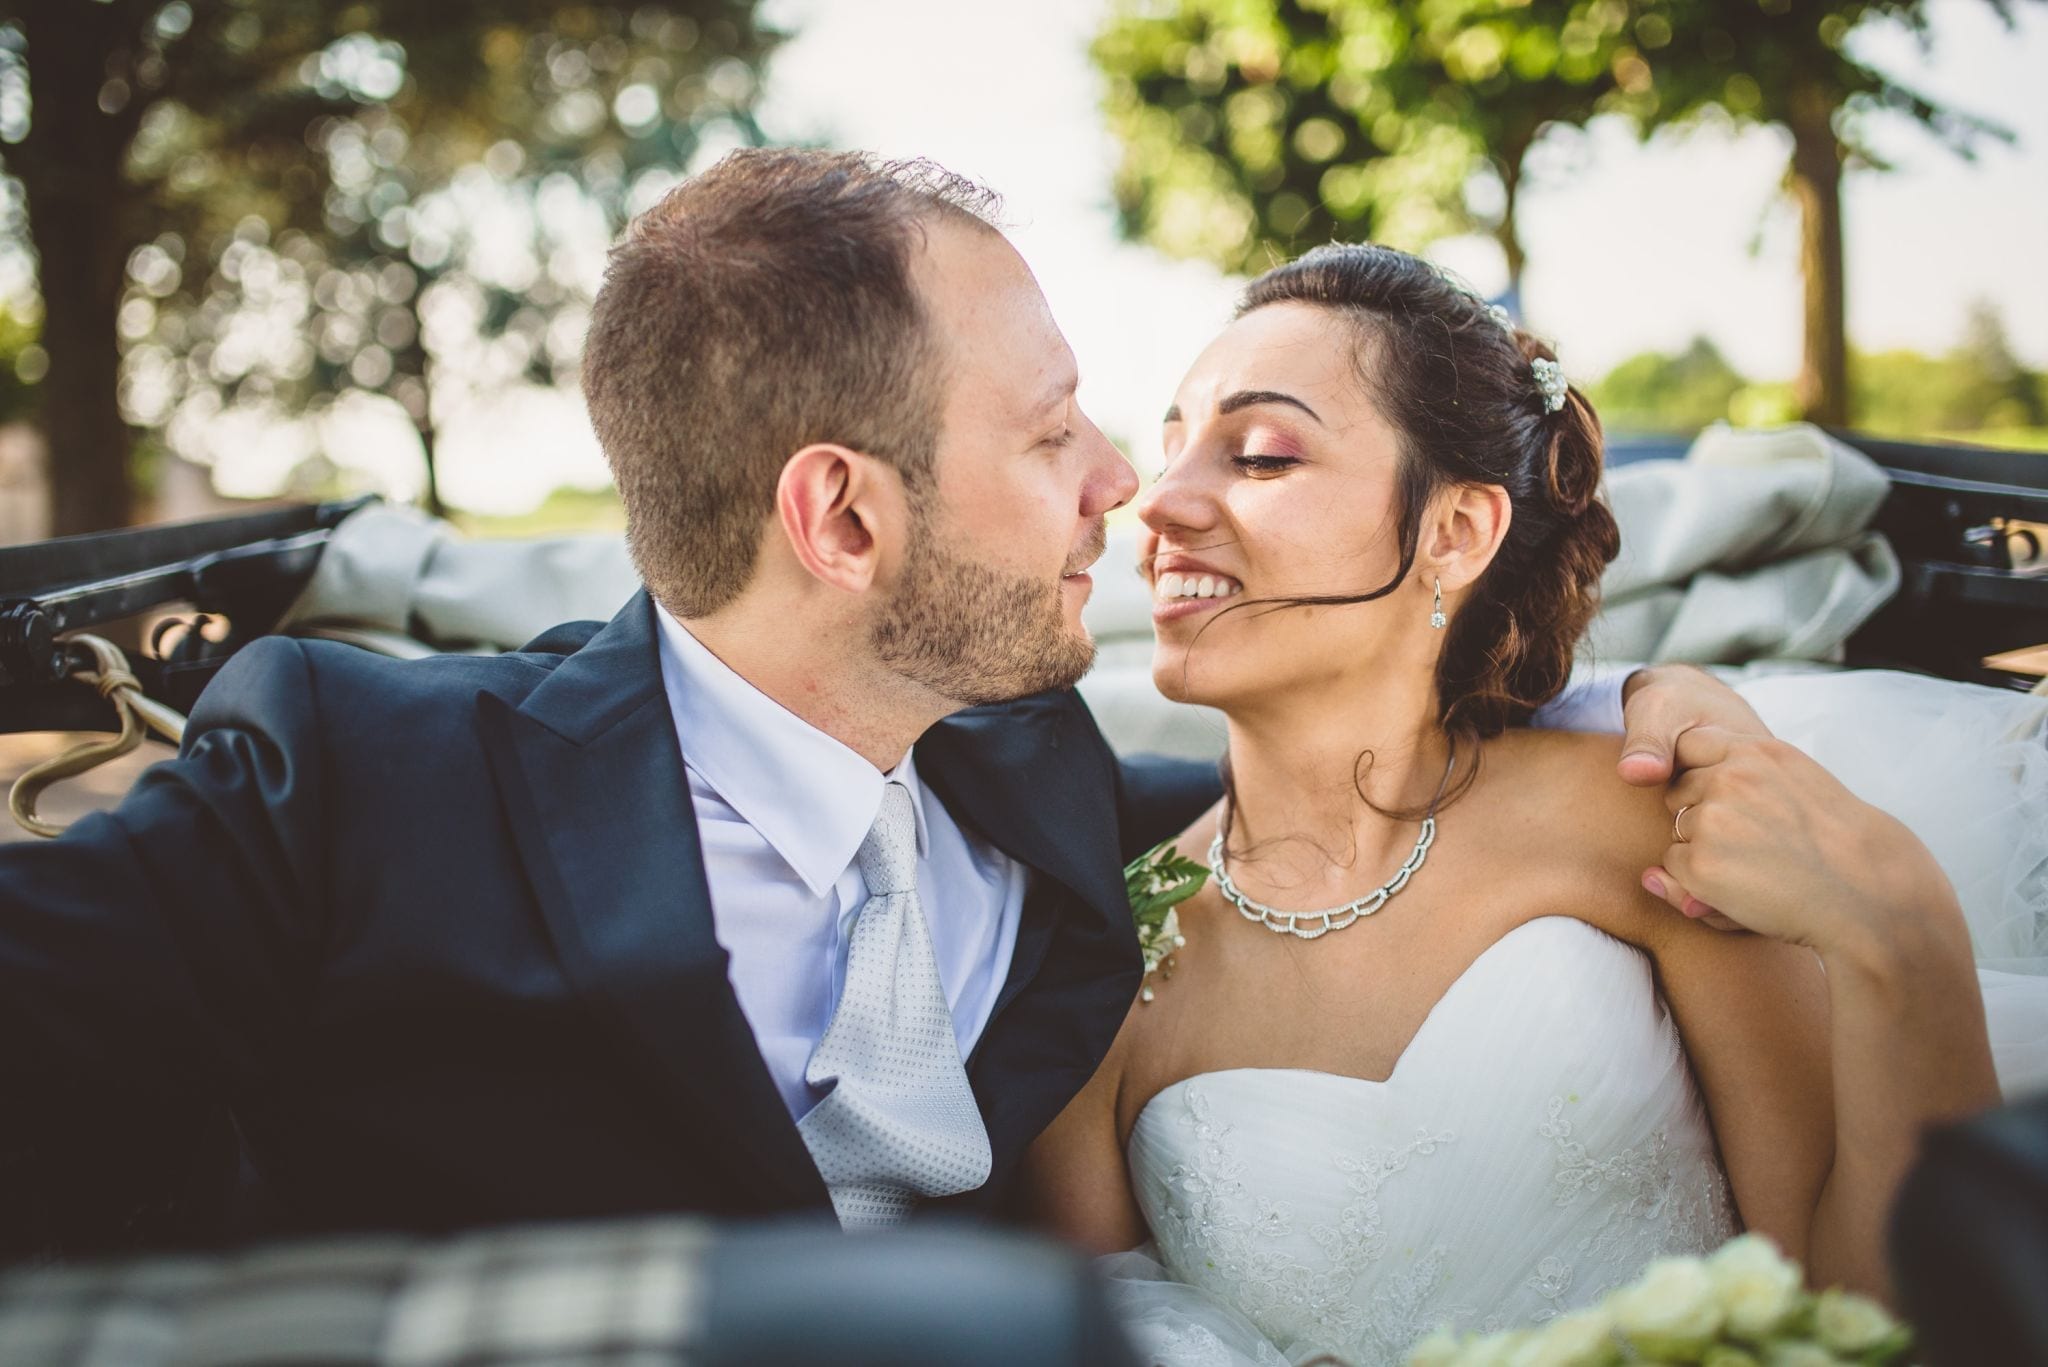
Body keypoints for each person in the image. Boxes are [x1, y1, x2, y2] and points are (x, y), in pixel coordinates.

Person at [0, 152, 1756, 1253]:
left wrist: (1628, 699)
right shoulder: (348, 779)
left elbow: (1324, 793)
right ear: (841, 516)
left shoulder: (1033, 766)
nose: (1114, 497)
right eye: (1053, 432)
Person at [1024, 244, 2030, 1366]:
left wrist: (1902, 931)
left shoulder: (1647, 826)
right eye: (1170, 445)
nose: (1157, 501)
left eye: (1259, 455)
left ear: (1454, 531)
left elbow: (1856, 1302)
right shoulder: (1105, 969)